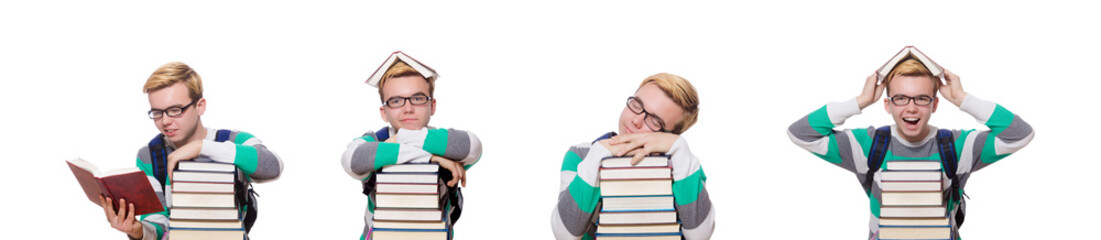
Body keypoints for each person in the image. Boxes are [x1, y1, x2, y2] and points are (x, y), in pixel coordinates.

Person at [786, 57, 1035, 239]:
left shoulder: (957, 147)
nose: (912, 108)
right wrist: (860, 101)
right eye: (901, 98)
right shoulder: (868, 145)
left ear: (934, 105)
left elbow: (1020, 135)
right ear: (888, 105)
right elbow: (801, 133)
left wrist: (962, 99)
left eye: (921, 98)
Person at [100, 62, 284, 240]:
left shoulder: (233, 141)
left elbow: (273, 166)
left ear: (200, 106)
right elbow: (158, 223)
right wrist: (138, 231)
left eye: (175, 110)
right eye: (157, 112)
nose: (165, 121)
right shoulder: (149, 156)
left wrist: (202, 147)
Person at [551, 73, 715, 240]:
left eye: (655, 121)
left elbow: (699, 236)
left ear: (670, 135)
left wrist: (680, 148)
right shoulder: (581, 155)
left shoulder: (685, 165)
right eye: (637, 105)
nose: (636, 121)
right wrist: (596, 156)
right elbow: (565, 236)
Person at [341, 52, 482, 240]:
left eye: (417, 98)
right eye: (396, 101)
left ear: (432, 105)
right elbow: (352, 160)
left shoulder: (447, 142)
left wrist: (400, 139)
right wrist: (432, 158)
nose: (408, 108)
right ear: (384, 112)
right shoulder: (375, 139)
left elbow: (473, 147)